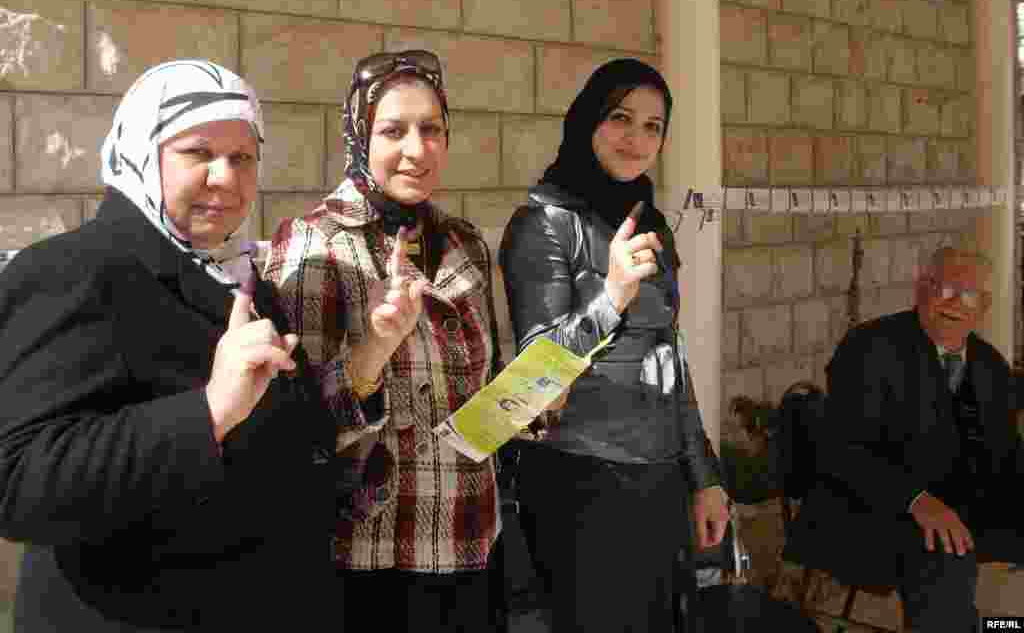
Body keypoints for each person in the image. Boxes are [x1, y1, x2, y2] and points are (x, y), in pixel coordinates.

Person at [0, 60, 336, 631]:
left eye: (243, 157)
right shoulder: (73, 271)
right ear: (140, 151)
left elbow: (289, 438)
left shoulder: (240, 278)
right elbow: (19, 480)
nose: (225, 177)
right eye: (198, 152)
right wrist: (207, 412)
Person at [265, 50, 503, 633]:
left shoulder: (464, 243)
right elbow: (297, 426)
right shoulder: (315, 243)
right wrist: (371, 350)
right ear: (359, 136)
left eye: (432, 130)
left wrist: (529, 404)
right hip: (372, 562)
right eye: (393, 130)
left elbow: (480, 390)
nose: (416, 150)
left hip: (472, 540)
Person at [498, 58, 729, 632]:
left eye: (653, 126)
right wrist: (614, 294)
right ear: (588, 122)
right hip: (581, 482)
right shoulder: (544, 223)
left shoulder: (651, 224)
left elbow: (667, 358)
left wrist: (705, 475)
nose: (637, 138)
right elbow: (535, 374)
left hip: (659, 482)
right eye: (621, 117)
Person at [785, 246, 1024, 632]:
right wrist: (915, 498)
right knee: (944, 552)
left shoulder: (991, 366)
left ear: (984, 306)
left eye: (967, 294)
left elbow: (1006, 456)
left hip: (963, 506)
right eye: (943, 288)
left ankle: (996, 626)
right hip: (868, 511)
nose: (952, 303)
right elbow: (841, 451)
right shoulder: (870, 348)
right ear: (920, 290)